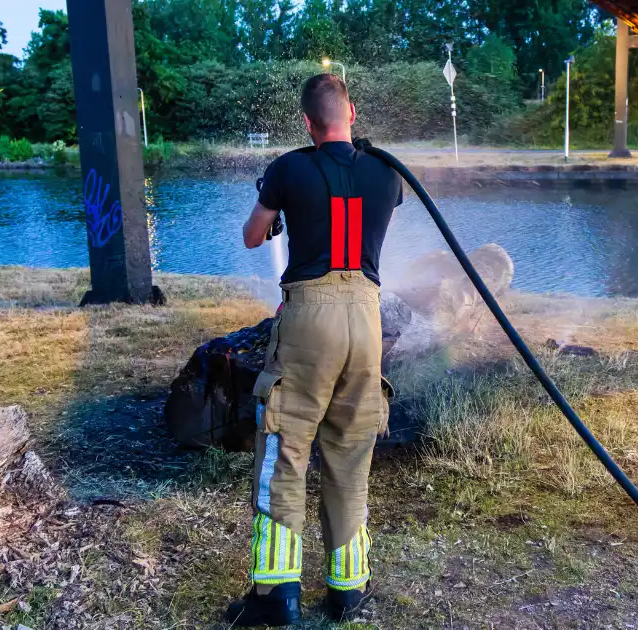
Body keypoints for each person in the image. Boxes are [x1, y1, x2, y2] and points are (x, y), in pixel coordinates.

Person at [226, 73, 403, 626]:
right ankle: (347, 591)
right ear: (352, 113)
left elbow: (253, 236)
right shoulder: (387, 172)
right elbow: (355, 208)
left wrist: (279, 207)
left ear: (306, 121)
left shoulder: (287, 167)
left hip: (309, 316)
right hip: (367, 318)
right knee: (351, 455)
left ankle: (275, 597)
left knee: (286, 450)